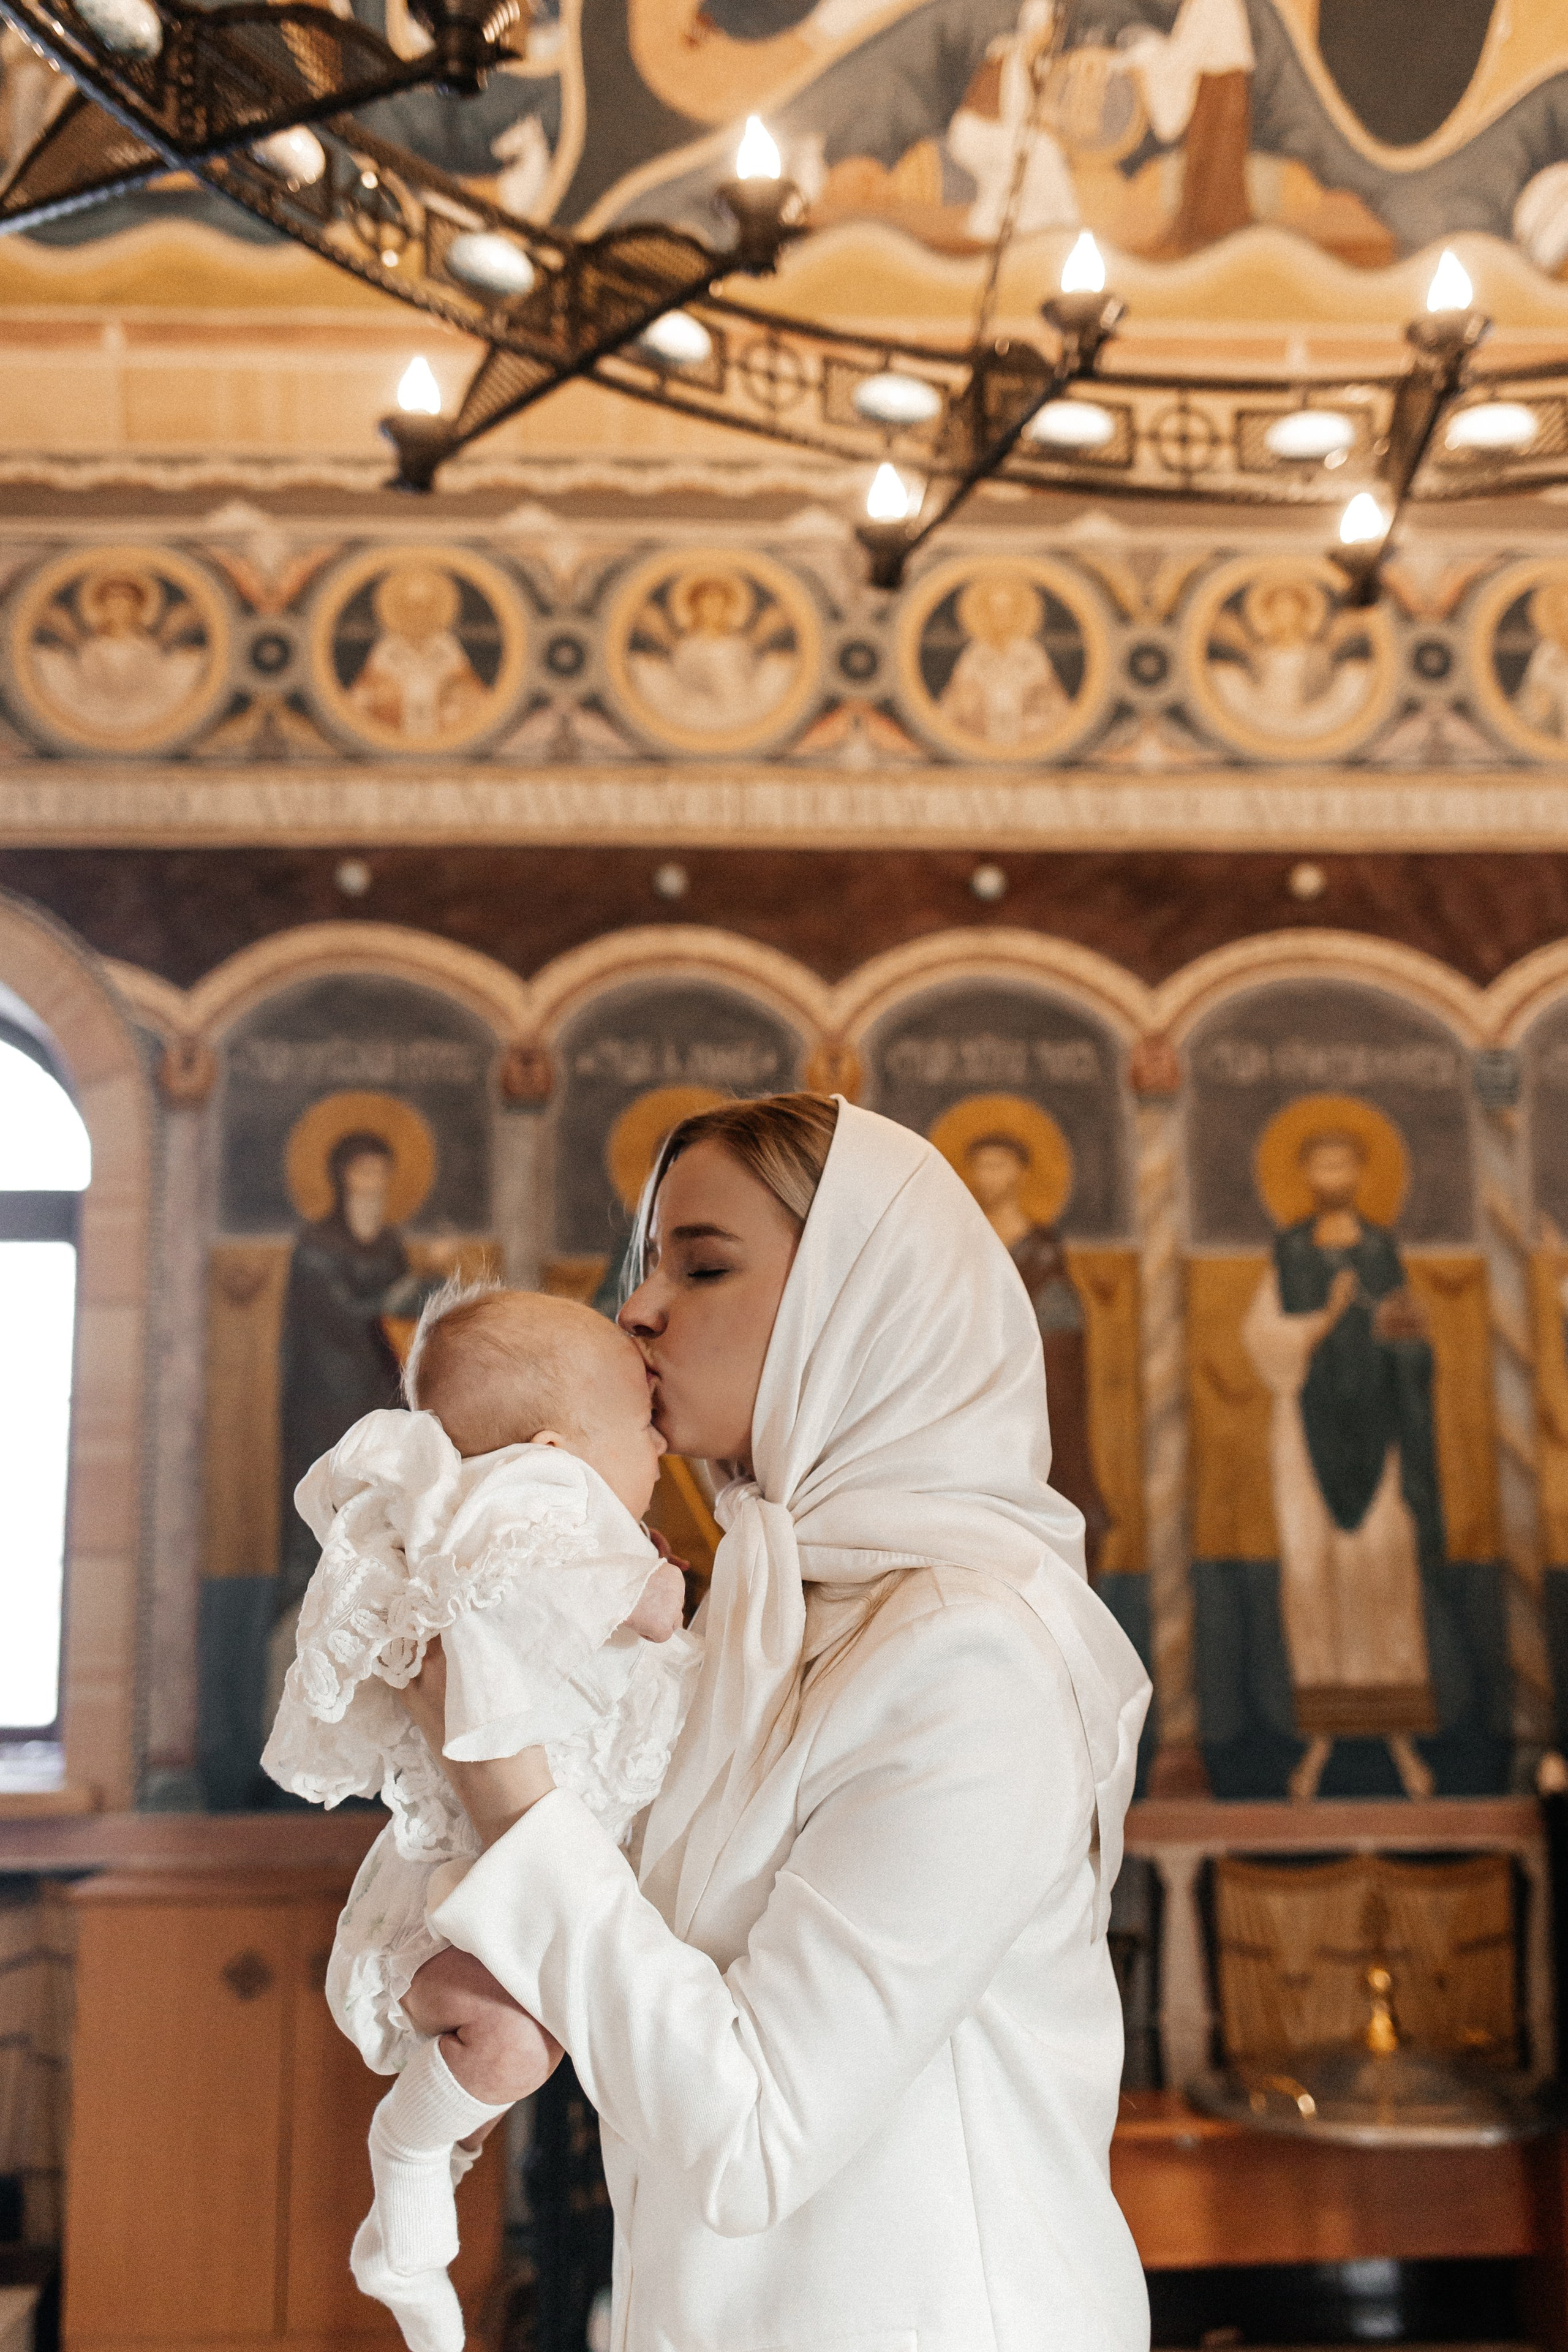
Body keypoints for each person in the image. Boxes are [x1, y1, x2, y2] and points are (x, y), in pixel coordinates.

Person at [396, 1091, 1152, 2352]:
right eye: (648, 1266)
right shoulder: (760, 1630)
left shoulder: (971, 1659)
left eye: (701, 1265)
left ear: (856, 1309)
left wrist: (505, 1792)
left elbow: (753, 2134)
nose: (636, 1309)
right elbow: (655, 2004)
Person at [263, 1284, 696, 2352]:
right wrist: (652, 1592)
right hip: (481, 1871)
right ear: (551, 1453)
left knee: (528, 2043)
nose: (662, 1447)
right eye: (643, 1422)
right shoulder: (534, 1513)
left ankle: (407, 2213)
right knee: (515, 2043)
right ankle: (407, 2187)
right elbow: (604, 1599)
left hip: (523, 1859)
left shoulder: (515, 1525)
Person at [1242, 1126, 1440, 1803]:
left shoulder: (1382, 1251)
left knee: (1383, 1567)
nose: (1333, 1171)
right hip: (1304, 1431)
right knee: (1312, 1569)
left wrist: (1403, 1336)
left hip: (1378, 1435)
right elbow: (1262, 1338)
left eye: (1344, 1159)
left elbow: (1412, 1347)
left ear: (1360, 1172)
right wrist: (1321, 1323)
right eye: (1321, 1159)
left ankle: (1400, 1738)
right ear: (1305, 1173)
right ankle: (1319, 1740)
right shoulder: (1290, 1252)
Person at [963, 1128, 1112, 1572]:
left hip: (1036, 1403)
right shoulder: (961, 1244)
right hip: (968, 1406)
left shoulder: (1043, 1254)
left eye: (1000, 1164)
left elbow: (1061, 1345)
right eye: (982, 1165)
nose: (990, 1176)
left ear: (1020, 1174)